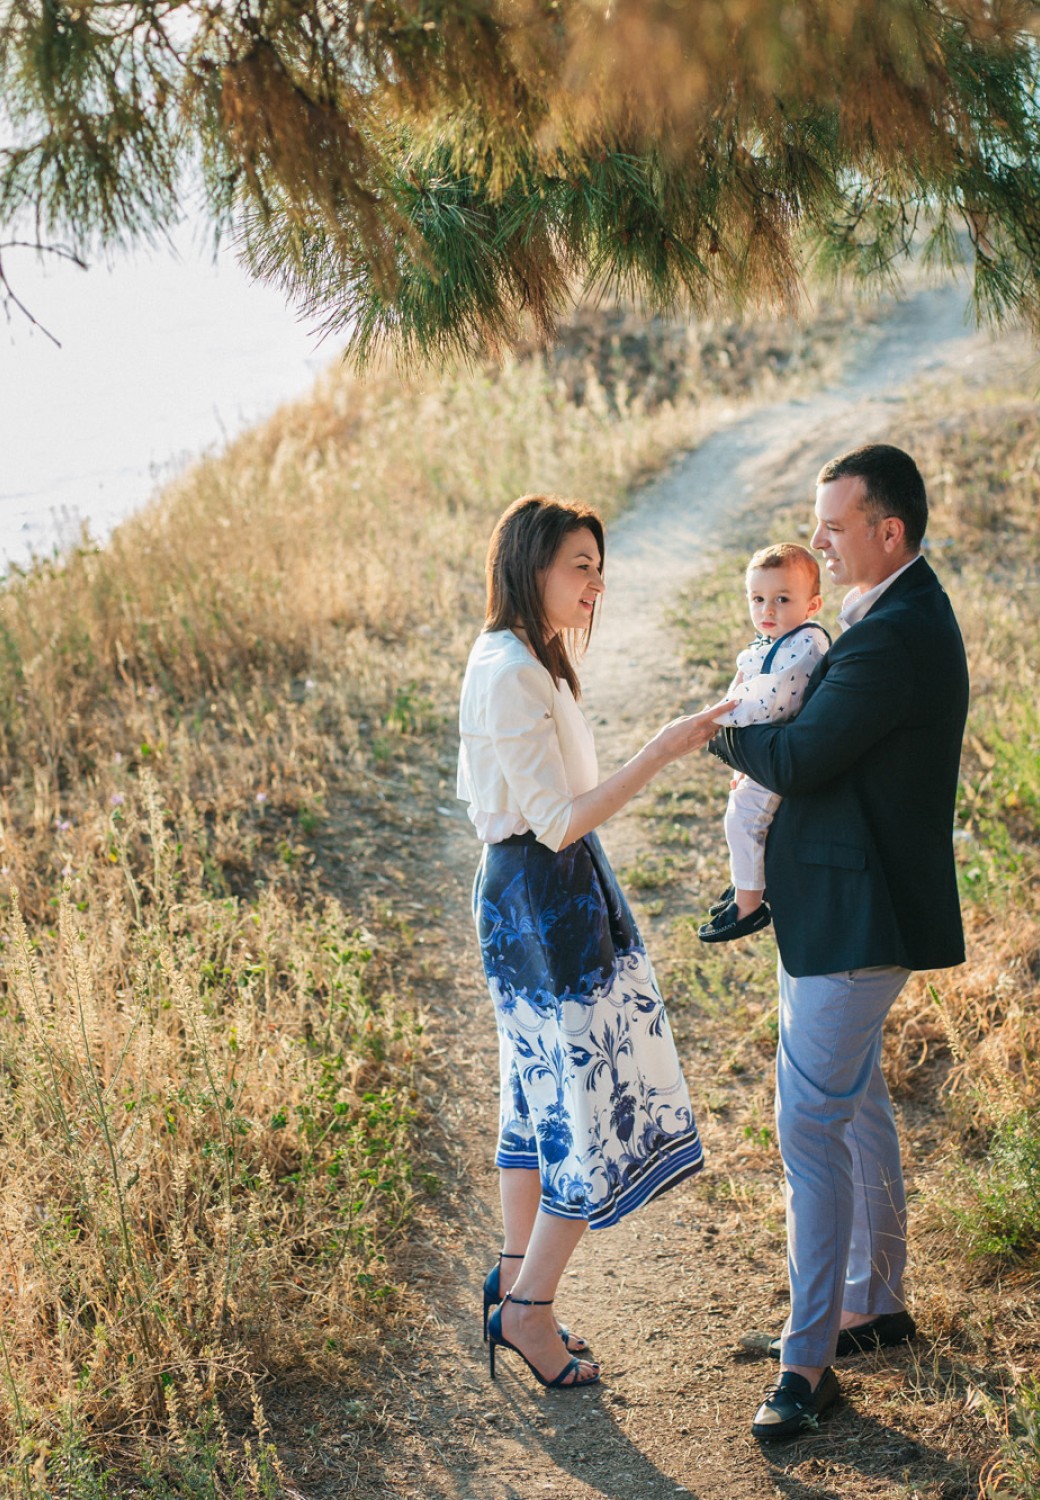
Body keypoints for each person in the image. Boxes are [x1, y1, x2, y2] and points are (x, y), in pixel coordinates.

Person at [710, 444, 968, 1439]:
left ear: (886, 531)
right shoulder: (883, 615)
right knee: (854, 1108)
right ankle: (874, 1302)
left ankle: (806, 1364)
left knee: (806, 1132)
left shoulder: (892, 636)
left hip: (855, 920)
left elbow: (801, 753)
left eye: (832, 524)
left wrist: (717, 728)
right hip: (837, 908)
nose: (816, 538)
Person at [458, 493, 732, 1390]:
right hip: (543, 896)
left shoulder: (522, 656)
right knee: (582, 1105)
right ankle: (528, 1310)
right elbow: (558, 821)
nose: (596, 583)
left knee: (536, 1096)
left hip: (541, 892)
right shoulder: (511, 669)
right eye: (580, 565)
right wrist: (659, 752)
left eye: (598, 567)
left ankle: (514, 1282)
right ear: (530, 566)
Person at [697, 542, 830, 943]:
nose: (767, 610)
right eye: (757, 599)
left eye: (782, 599)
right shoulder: (771, 642)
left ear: (812, 605)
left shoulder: (806, 645)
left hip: (783, 750)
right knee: (741, 814)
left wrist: (719, 719)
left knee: (744, 818)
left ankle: (749, 907)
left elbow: (770, 701)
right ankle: (747, 885)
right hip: (763, 750)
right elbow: (743, 687)